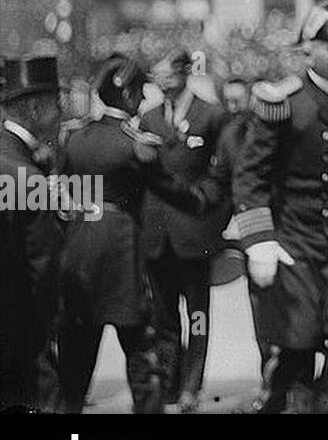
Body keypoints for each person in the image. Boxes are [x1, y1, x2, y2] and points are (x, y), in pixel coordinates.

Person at [231, 3, 328, 414]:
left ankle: (324, 407)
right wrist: (259, 241)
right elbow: (250, 177)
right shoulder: (282, 103)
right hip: (295, 239)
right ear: (306, 52)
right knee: (297, 341)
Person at [56, 55, 169, 413]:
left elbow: (60, 189)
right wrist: (204, 201)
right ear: (132, 95)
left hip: (79, 250)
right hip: (122, 256)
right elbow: (169, 188)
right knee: (141, 354)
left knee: (73, 360)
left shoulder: (73, 137)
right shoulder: (136, 144)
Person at [139, 49, 230, 413]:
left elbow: (222, 177)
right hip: (157, 237)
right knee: (163, 317)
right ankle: (171, 384)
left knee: (197, 316)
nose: (159, 81)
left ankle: (192, 385)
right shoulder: (147, 118)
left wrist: (213, 222)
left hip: (195, 236)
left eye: (165, 73)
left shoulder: (212, 116)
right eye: (156, 75)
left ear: (185, 72)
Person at [0, 56, 64, 412]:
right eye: (57, 104)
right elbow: (43, 268)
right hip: (24, 333)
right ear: (35, 107)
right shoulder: (29, 178)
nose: (61, 113)